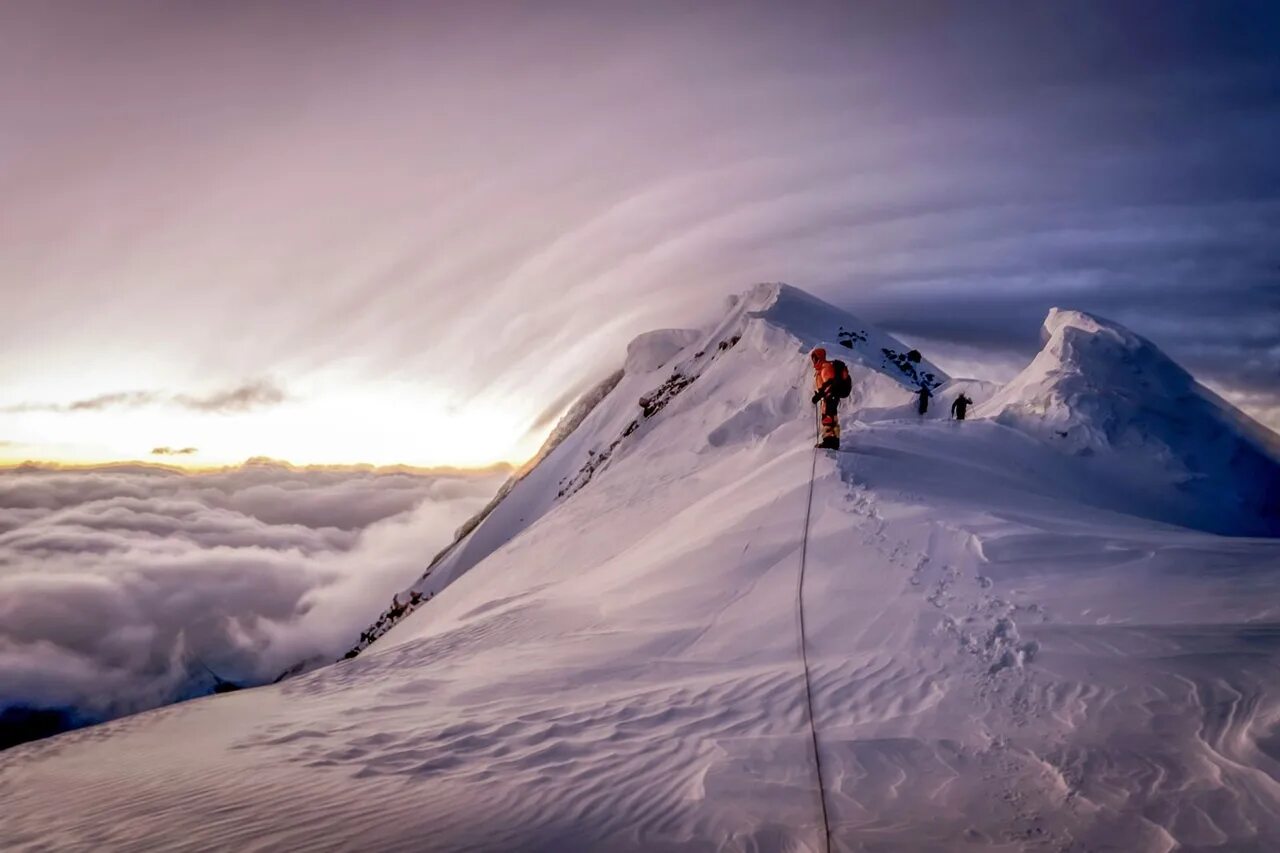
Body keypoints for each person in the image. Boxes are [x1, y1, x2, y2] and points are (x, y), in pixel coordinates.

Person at [810, 347, 845, 449]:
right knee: (832, 419)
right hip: (830, 397)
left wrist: (819, 395)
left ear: (820, 357)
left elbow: (829, 385)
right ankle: (833, 442)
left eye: (815, 358)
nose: (814, 361)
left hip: (829, 397)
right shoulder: (823, 368)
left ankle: (829, 442)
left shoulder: (825, 368)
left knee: (828, 419)